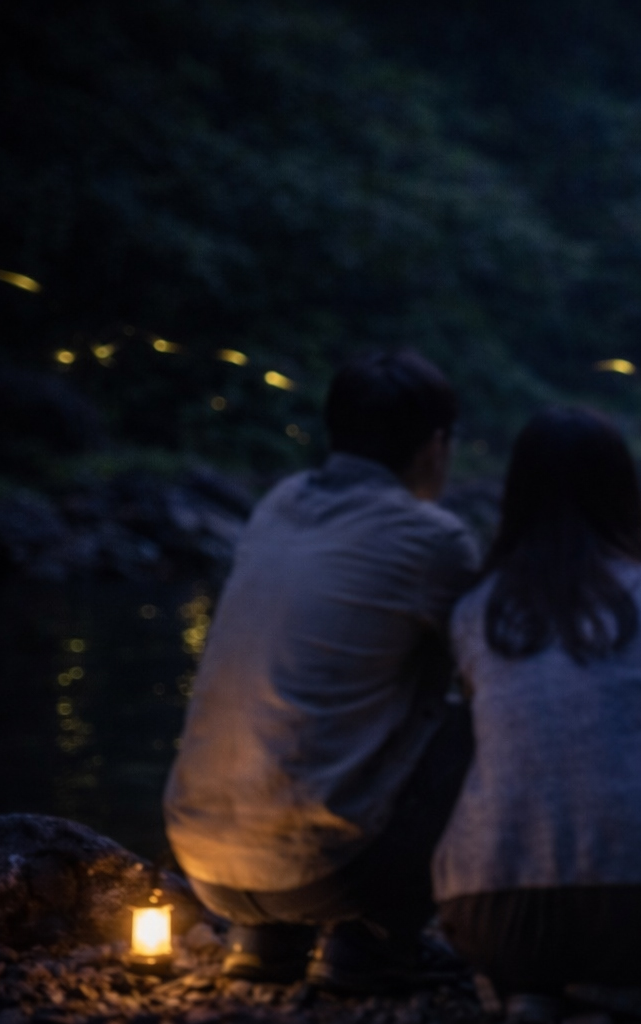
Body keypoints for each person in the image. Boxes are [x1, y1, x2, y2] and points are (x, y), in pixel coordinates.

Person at [163, 349, 480, 992]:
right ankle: (372, 942)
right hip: (331, 873)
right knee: (488, 724)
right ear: (436, 446)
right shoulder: (433, 538)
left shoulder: (278, 502)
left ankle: (266, 940)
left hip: (202, 860)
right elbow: (491, 677)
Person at [432, 407, 641, 1024]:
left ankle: (526, 991)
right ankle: (625, 992)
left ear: (515, 497)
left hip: (490, 921)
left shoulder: (474, 610)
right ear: (623, 492)